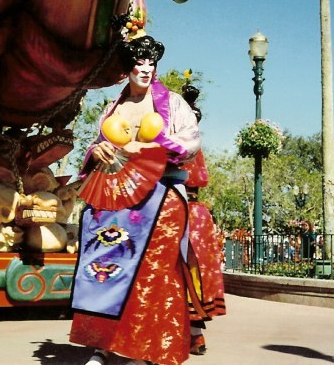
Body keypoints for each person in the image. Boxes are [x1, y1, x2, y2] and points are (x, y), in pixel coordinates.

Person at [70, 36, 202, 365]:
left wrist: (153, 145)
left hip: (163, 196)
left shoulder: (172, 103)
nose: (145, 70)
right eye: (137, 64)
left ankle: (144, 350)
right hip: (117, 199)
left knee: (153, 272)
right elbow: (97, 147)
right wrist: (96, 151)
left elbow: (191, 142)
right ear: (125, 70)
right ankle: (105, 344)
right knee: (110, 269)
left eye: (150, 64)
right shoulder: (111, 109)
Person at [180, 83, 226, 356]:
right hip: (195, 213)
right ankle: (194, 336)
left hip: (186, 212)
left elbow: (198, 178)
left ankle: (193, 335)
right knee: (189, 273)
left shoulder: (184, 149)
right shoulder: (193, 148)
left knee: (187, 272)